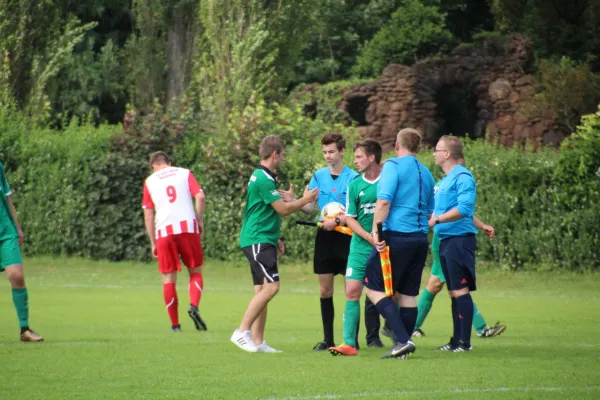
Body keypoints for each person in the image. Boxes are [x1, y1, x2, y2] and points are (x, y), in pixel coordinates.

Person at [231, 135, 319, 353]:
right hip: (257, 239)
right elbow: (283, 209)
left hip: (262, 238)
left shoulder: (265, 177)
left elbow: (262, 210)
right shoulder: (262, 178)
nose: (284, 159)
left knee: (262, 289)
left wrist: (275, 238)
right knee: (272, 287)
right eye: (283, 155)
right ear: (274, 154)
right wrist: (305, 200)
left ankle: (259, 342)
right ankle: (241, 332)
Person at [302, 132, 382, 351]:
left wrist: (338, 220)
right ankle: (328, 339)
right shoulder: (318, 176)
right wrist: (295, 201)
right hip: (325, 237)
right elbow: (309, 208)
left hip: (349, 236)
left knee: (353, 289)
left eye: (331, 152)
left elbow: (355, 210)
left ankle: (353, 340)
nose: (328, 156)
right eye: (325, 152)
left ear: (342, 152)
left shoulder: (354, 177)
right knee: (325, 290)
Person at [364, 128, 435, 359]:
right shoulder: (427, 173)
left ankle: (403, 340)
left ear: (397, 145)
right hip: (420, 239)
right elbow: (429, 211)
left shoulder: (393, 166)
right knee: (407, 294)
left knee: (372, 287)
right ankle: (403, 347)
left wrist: (376, 232)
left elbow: (384, 202)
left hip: (397, 236)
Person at [410, 213, 507, 338]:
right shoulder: (440, 193)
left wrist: (482, 226)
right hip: (444, 242)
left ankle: (412, 326)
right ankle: (482, 328)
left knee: (435, 285)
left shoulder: (452, 194)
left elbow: (463, 211)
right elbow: (437, 213)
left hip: (449, 241)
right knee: (457, 288)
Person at [329, 139, 384, 356]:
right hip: (360, 247)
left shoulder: (387, 182)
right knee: (352, 292)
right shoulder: (354, 185)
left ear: (372, 157)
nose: (355, 161)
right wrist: (369, 237)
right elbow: (350, 219)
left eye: (359, 156)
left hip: (384, 246)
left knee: (389, 294)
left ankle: (401, 335)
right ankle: (349, 343)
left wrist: (378, 238)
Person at [142, 151, 207, 332]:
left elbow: (148, 214)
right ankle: (194, 306)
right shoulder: (184, 173)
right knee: (195, 272)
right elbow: (200, 196)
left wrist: (153, 241)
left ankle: (175, 326)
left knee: (168, 278)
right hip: (188, 228)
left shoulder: (150, 181)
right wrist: (199, 220)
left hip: (164, 232)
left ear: (153, 166)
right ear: (169, 163)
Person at [428, 135, 478, 352]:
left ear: (447, 154)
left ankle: (465, 343)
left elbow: (465, 209)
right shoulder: (444, 180)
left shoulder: (463, 177)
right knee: (452, 291)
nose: (434, 154)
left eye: (437, 150)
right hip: (445, 241)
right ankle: (455, 340)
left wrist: (437, 220)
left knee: (460, 290)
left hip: (459, 241)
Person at [0, 161, 43, 342]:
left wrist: (17, 227)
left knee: (17, 276)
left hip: (5, 230)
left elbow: (7, 197)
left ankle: (24, 329)